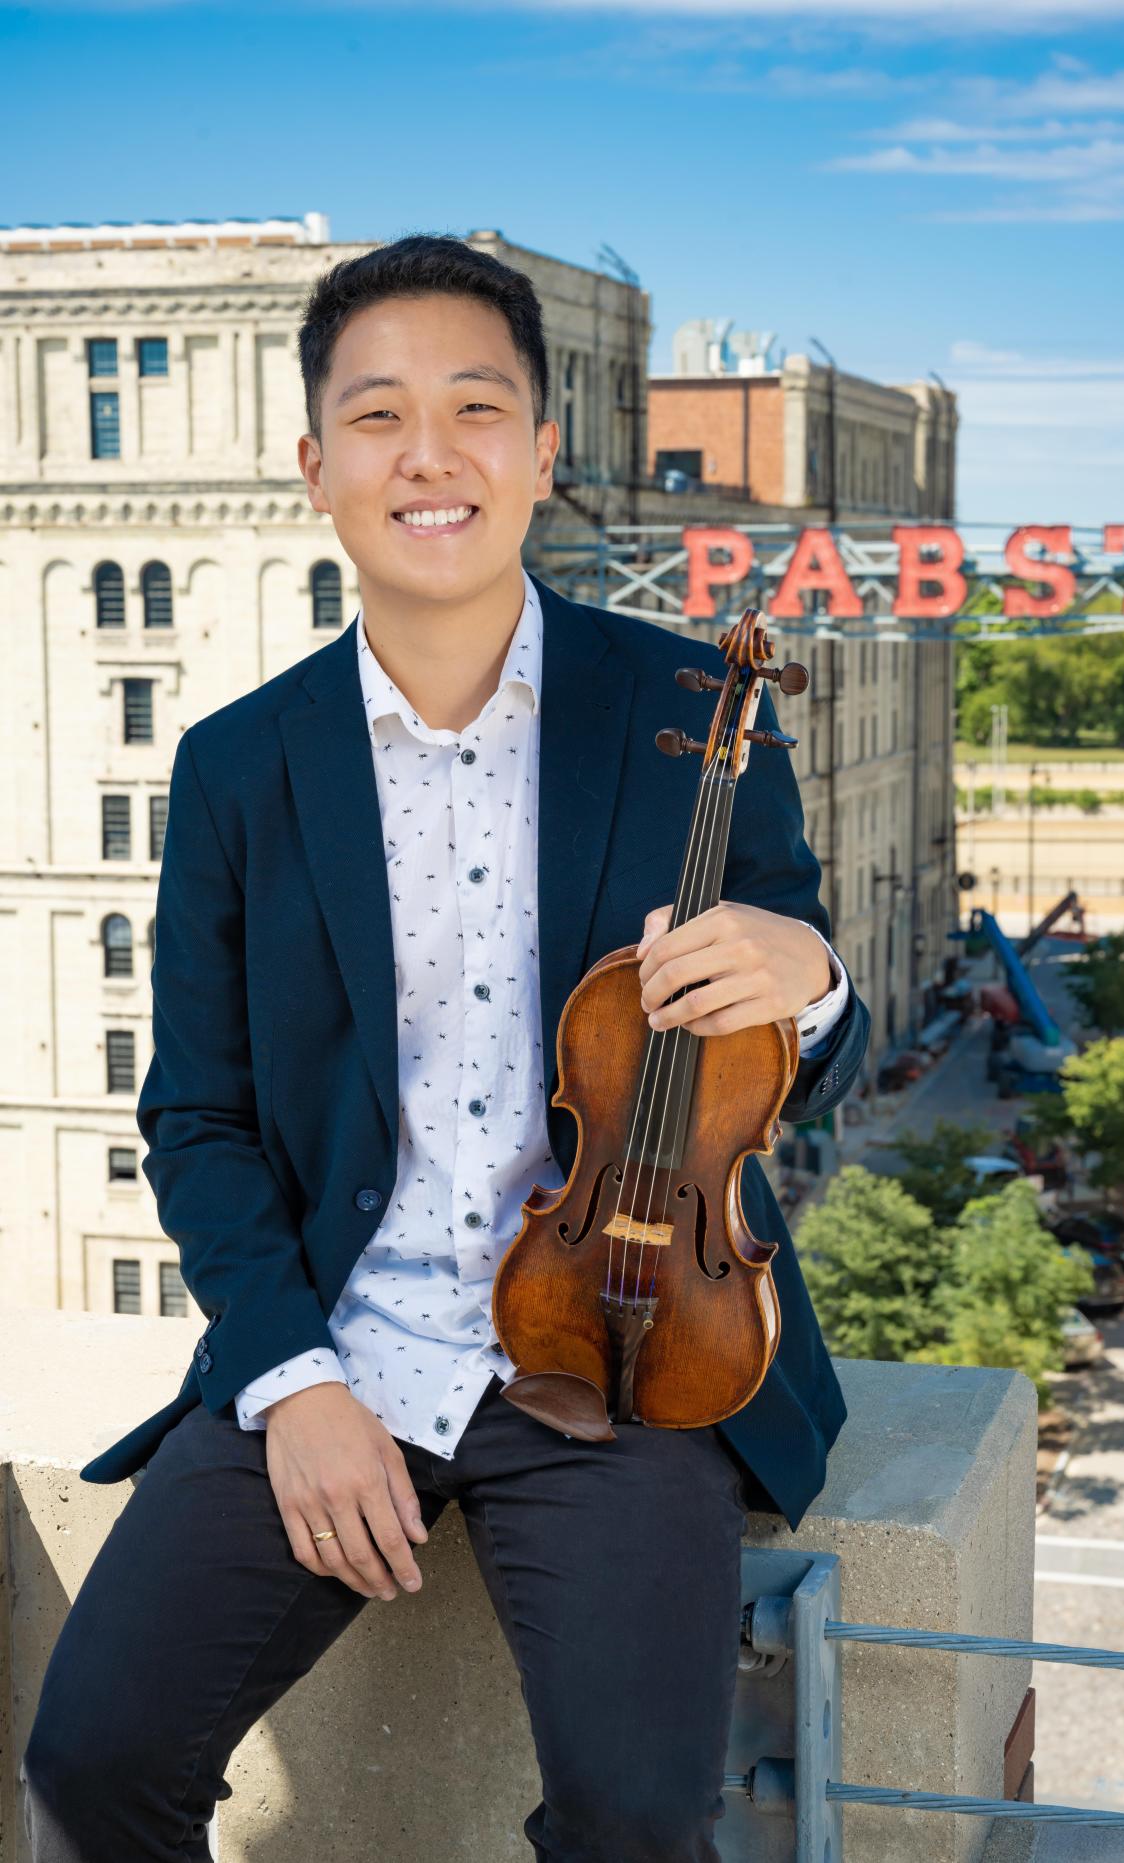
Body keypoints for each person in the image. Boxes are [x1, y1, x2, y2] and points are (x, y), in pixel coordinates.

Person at [21, 233, 871, 1861]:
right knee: (92, 1757)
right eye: (380, 416)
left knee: (635, 1822)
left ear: (543, 454)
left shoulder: (697, 709)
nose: (431, 455)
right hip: (340, 1346)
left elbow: (804, 1041)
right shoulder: (234, 769)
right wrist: (294, 1386)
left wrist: (809, 972)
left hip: (629, 1355)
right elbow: (194, 1118)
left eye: (476, 410)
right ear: (316, 468)